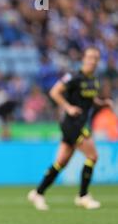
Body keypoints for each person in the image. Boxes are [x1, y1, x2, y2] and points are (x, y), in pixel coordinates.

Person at [28, 47, 114, 210]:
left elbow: (90, 98)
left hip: (79, 124)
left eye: (95, 58)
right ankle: (83, 196)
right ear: (84, 59)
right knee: (93, 156)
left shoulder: (94, 80)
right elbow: (54, 92)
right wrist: (68, 107)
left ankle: (38, 193)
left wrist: (102, 103)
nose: (92, 60)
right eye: (89, 57)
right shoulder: (74, 76)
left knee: (61, 163)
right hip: (72, 124)